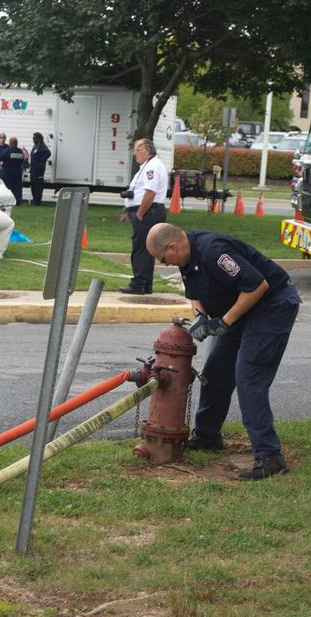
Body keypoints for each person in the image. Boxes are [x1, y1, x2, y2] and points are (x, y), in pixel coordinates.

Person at [146, 223, 301, 481]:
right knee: (215, 374)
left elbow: (257, 286)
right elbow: (195, 293)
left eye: (163, 259)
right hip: (242, 310)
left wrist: (225, 322)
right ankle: (207, 437)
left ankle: (269, 456)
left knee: (249, 377)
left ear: (172, 246)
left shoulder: (213, 252)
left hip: (272, 305)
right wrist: (201, 317)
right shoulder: (186, 258)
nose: (165, 264)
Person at [118, 138, 168, 295]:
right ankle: (146, 284)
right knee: (148, 248)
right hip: (150, 211)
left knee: (141, 248)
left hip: (148, 212)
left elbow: (150, 192)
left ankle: (138, 283)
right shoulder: (149, 165)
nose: (135, 154)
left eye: (137, 150)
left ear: (148, 151)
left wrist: (140, 213)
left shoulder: (151, 167)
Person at [0, 136, 25, 205]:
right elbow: (22, 160)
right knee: (17, 187)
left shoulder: (7, 150)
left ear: (10, 143)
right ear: (16, 143)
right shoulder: (20, 151)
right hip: (18, 171)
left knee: (6, 187)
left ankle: (6, 201)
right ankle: (18, 201)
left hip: (7, 171)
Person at [29, 132, 51, 205]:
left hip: (39, 170)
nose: (33, 139)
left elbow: (48, 153)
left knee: (38, 185)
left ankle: (38, 201)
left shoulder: (42, 146)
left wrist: (41, 161)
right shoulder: (35, 146)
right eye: (33, 138)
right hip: (33, 169)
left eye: (34, 138)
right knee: (33, 185)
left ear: (39, 138)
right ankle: (34, 199)